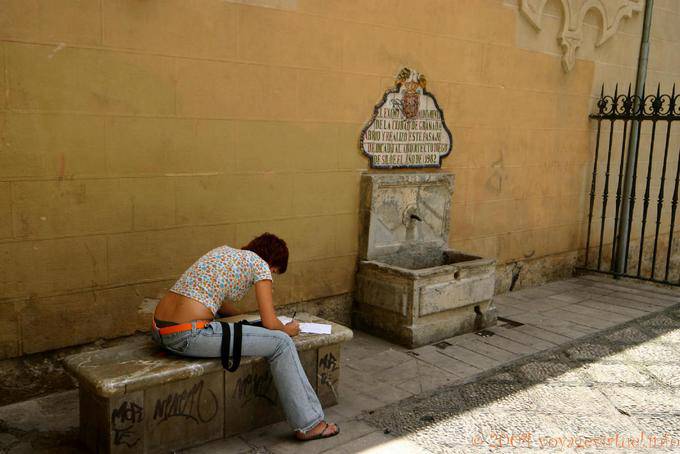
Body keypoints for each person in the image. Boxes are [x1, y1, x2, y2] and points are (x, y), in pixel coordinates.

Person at [151, 232, 339, 441]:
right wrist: (288, 329)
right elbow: (270, 323)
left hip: (160, 331)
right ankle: (309, 423)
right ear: (271, 262)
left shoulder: (223, 252)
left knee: (257, 331)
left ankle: (308, 421)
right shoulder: (260, 265)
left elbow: (217, 301)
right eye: (275, 272)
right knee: (282, 343)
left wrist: (243, 318)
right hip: (188, 335)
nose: (272, 277)